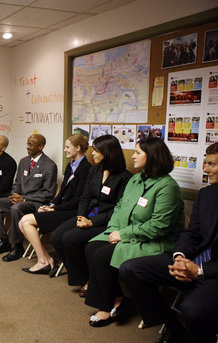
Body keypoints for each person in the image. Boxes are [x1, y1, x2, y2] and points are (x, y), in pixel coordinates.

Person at [120, 142, 218, 343]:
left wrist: (199, 270)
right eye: (205, 163)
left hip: (212, 272)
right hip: (190, 261)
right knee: (131, 269)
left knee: (192, 308)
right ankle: (175, 329)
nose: (205, 169)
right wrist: (180, 256)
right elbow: (193, 234)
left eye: (212, 164)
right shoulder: (207, 195)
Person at [84, 137, 185, 328]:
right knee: (92, 247)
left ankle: (106, 307)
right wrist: (114, 230)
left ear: (152, 156)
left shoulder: (167, 187)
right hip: (127, 232)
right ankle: (117, 298)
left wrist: (124, 235)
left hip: (155, 241)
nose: (133, 156)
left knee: (101, 255)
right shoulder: (136, 179)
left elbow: (159, 226)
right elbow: (120, 207)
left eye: (138, 152)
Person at [49, 135, 131, 293]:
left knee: (70, 238)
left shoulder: (125, 178)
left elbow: (117, 208)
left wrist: (92, 222)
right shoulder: (94, 171)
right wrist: (81, 216)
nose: (92, 154)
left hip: (106, 221)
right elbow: (85, 197)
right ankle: (83, 276)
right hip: (87, 215)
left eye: (96, 151)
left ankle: (90, 280)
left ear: (107, 153)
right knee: (56, 237)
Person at [19, 134, 91, 274]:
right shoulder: (71, 166)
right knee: (22, 223)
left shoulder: (86, 168)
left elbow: (78, 200)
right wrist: (51, 205)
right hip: (62, 208)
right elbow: (62, 193)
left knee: (26, 222)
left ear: (78, 148)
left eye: (67, 147)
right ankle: (46, 260)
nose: (65, 150)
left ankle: (43, 261)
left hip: (73, 211)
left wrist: (55, 209)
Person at [0, 133, 57, 262]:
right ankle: (4, 241)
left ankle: (17, 246)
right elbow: (17, 182)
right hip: (19, 198)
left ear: (41, 146)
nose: (28, 147)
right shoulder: (24, 161)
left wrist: (24, 199)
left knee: (16, 208)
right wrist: (14, 194)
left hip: (36, 203)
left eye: (31, 144)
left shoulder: (49, 166)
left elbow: (48, 193)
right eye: (27, 143)